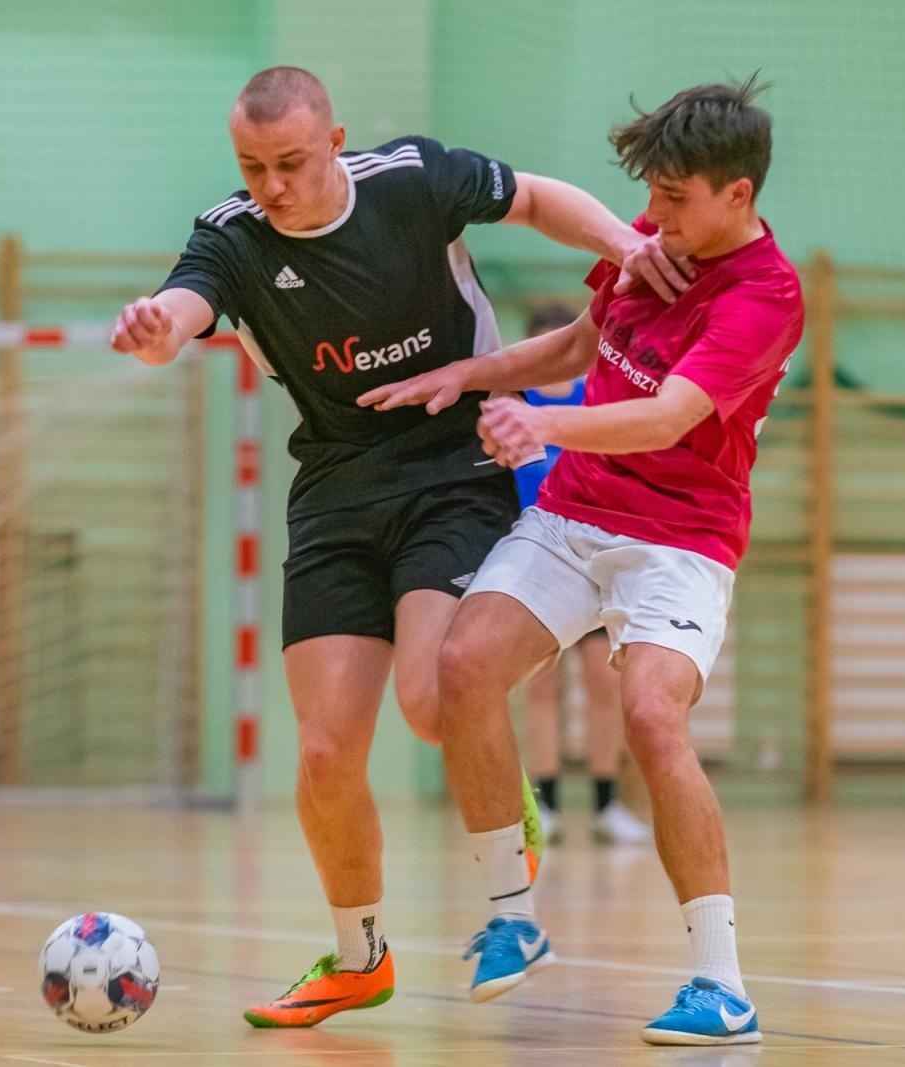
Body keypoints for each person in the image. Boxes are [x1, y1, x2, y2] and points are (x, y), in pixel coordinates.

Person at [109, 66, 689, 1030]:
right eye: (253, 166)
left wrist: (626, 243)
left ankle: (510, 804)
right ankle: (359, 956)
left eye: (291, 163)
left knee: (431, 700)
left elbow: (541, 198)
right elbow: (185, 309)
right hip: (334, 495)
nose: (272, 186)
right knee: (328, 750)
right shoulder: (233, 237)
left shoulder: (413, 178)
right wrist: (152, 329)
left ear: (333, 143)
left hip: (452, 467)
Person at [357, 75, 802, 1046]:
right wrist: (468, 375)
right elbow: (575, 344)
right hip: (574, 513)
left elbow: (665, 416)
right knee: (461, 667)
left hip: (680, 537)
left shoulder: (764, 296)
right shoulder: (648, 255)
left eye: (674, 199)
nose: (651, 218)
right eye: (649, 194)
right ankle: (512, 918)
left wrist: (542, 423)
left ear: (737, 195)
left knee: (650, 714)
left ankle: (720, 983)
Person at [515, 305, 651, 848]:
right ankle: (545, 805)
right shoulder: (515, 407)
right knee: (542, 690)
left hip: (595, 564)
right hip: (534, 567)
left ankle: (604, 804)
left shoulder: (594, 404)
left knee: (604, 686)